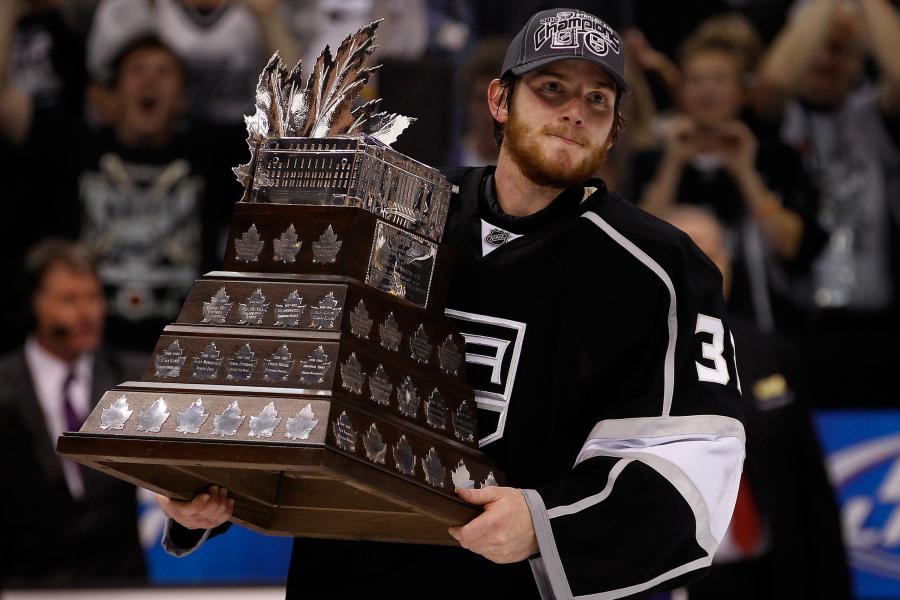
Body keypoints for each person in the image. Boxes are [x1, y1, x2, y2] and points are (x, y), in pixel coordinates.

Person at [159, 8, 745, 599]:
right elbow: (279, 366)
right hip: (349, 574)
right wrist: (203, 488)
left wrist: (547, 524)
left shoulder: (661, 269)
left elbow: (694, 466)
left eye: (598, 100)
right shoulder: (392, 212)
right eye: (551, 89)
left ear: (616, 128)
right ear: (498, 99)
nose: (574, 111)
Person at [0, 9, 243, 352]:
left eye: (164, 71)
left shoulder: (212, 153)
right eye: (136, 70)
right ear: (110, 96)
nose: (149, 81)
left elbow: (297, 135)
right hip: (86, 352)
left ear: (182, 99)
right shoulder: (75, 144)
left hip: (182, 352)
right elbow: (4, 101)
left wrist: (269, 20)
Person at [661, 205, 852, 600]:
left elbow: (809, 485)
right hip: (680, 582)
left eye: (715, 252)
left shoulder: (770, 352)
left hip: (776, 574)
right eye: (688, 253)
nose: (706, 267)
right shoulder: (625, 364)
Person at [632, 16, 825, 333]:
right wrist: (672, 163)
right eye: (695, 80)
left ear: (743, 91)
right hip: (672, 329)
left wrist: (746, 173)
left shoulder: (778, 157)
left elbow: (789, 245)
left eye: (720, 79)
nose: (707, 91)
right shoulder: (652, 160)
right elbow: (636, 245)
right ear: (680, 91)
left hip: (763, 328)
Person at [753, 0, 900, 408]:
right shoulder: (781, 118)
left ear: (860, 59)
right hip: (799, 330)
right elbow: (775, 80)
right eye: (818, 45)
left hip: (879, 329)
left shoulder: (874, 115)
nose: (825, 58)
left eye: (840, 49)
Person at [0, 239, 147, 587]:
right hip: (22, 584)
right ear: (35, 302)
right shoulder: (4, 387)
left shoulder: (135, 381)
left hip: (120, 584)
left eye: (93, 297)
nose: (88, 313)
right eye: (70, 299)